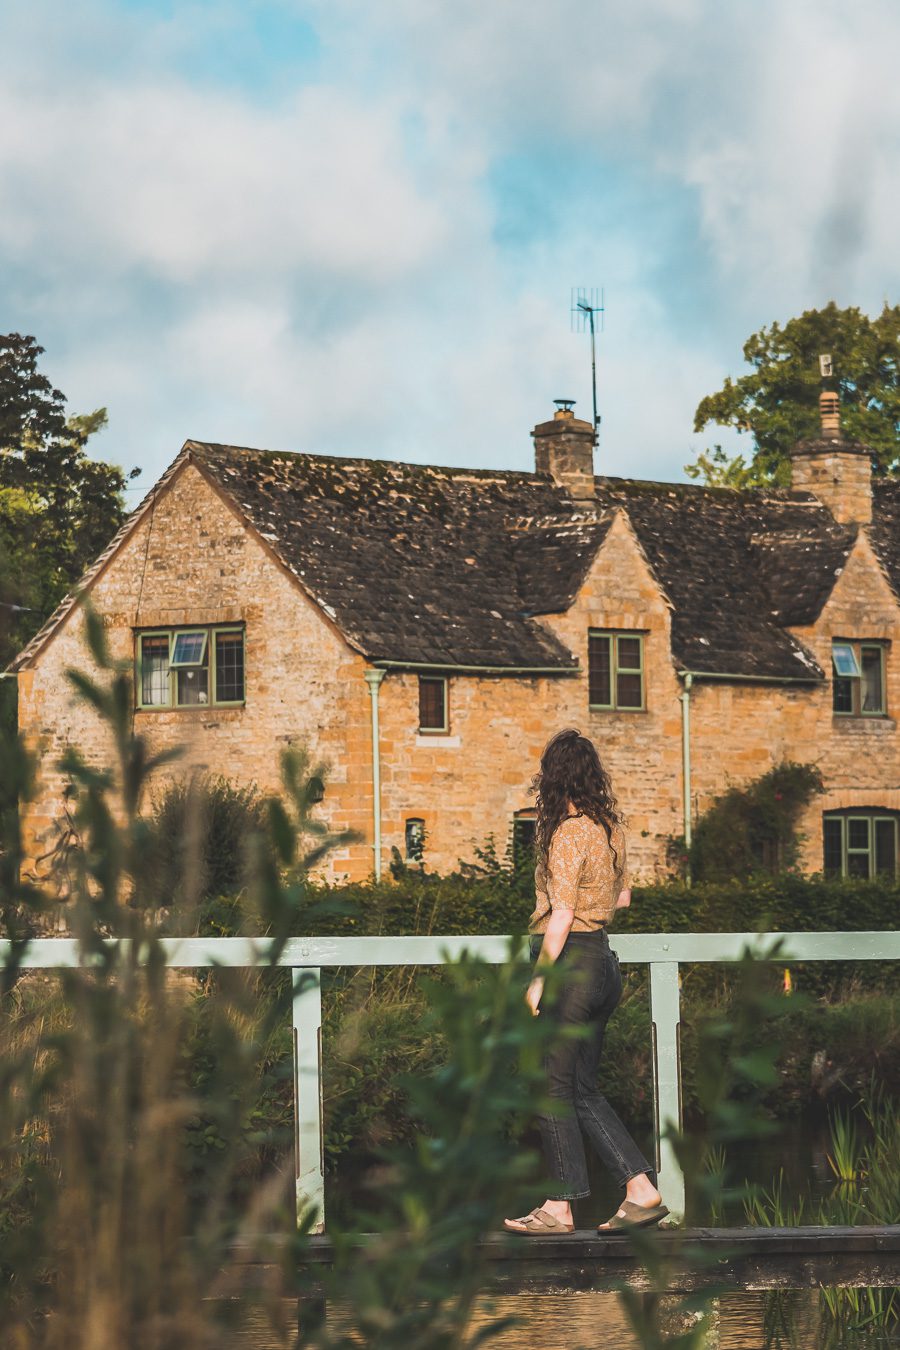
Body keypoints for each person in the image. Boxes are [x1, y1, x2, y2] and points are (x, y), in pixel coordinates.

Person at [504, 729, 668, 1236]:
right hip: (602, 965)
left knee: (554, 1087)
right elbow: (622, 899)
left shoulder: (567, 831)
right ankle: (639, 1191)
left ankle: (560, 1208)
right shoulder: (609, 828)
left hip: (570, 966)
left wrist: (536, 982)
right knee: (579, 1087)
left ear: (553, 779)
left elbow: (563, 911)